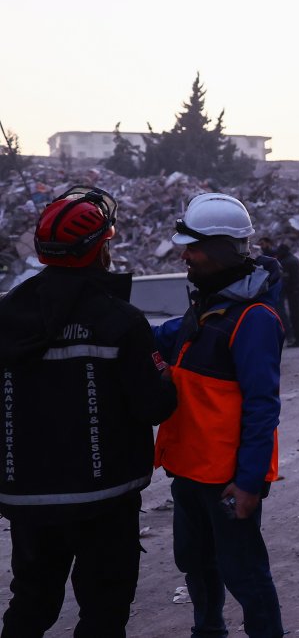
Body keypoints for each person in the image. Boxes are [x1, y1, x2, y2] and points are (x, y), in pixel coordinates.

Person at [0, 185, 177, 637]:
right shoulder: (120, 320)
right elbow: (156, 405)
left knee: (30, 605)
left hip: (28, 500)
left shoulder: (7, 315)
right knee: (103, 611)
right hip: (105, 501)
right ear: (100, 250)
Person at [154, 192, 286, 638]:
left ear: (222, 249)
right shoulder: (209, 308)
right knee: (195, 563)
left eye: (193, 247)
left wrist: (249, 483)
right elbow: (160, 336)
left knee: (244, 572)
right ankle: (207, 631)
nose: (185, 255)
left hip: (227, 478)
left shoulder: (254, 318)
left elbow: (262, 408)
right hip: (190, 471)